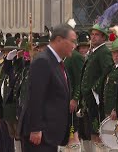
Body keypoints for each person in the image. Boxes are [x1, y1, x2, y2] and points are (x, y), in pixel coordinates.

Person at [19, 23, 77, 151]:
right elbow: (36, 97)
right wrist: (35, 128)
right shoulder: (43, 61)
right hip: (39, 135)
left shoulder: (57, 62)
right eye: (72, 41)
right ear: (59, 40)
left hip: (50, 134)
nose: (74, 46)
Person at [80, 23, 113, 149]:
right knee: (92, 133)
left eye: (97, 35)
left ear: (104, 38)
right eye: (92, 35)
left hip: (97, 99)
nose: (93, 37)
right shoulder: (94, 52)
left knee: (98, 133)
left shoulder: (103, 52)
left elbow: (108, 71)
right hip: (89, 100)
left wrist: (94, 88)